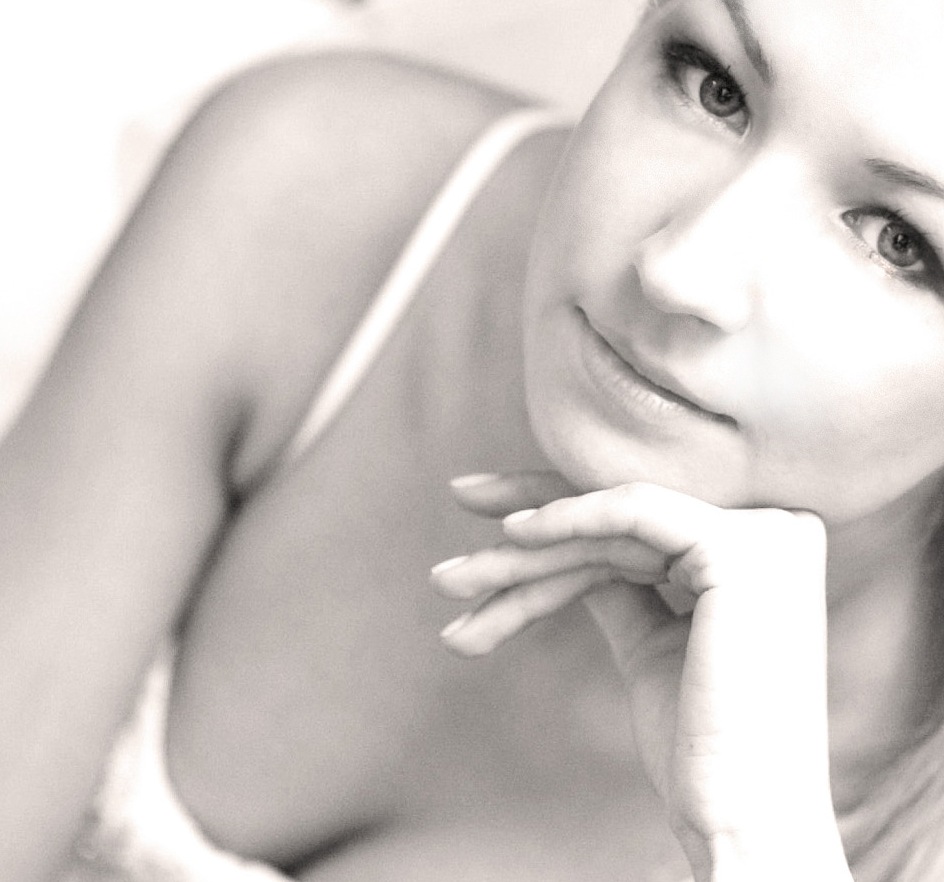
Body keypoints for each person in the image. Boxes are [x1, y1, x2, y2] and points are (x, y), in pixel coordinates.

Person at [4, 0, 944, 878]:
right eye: (715, 86)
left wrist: (761, 849)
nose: (678, 270)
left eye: (899, 241)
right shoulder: (320, 191)